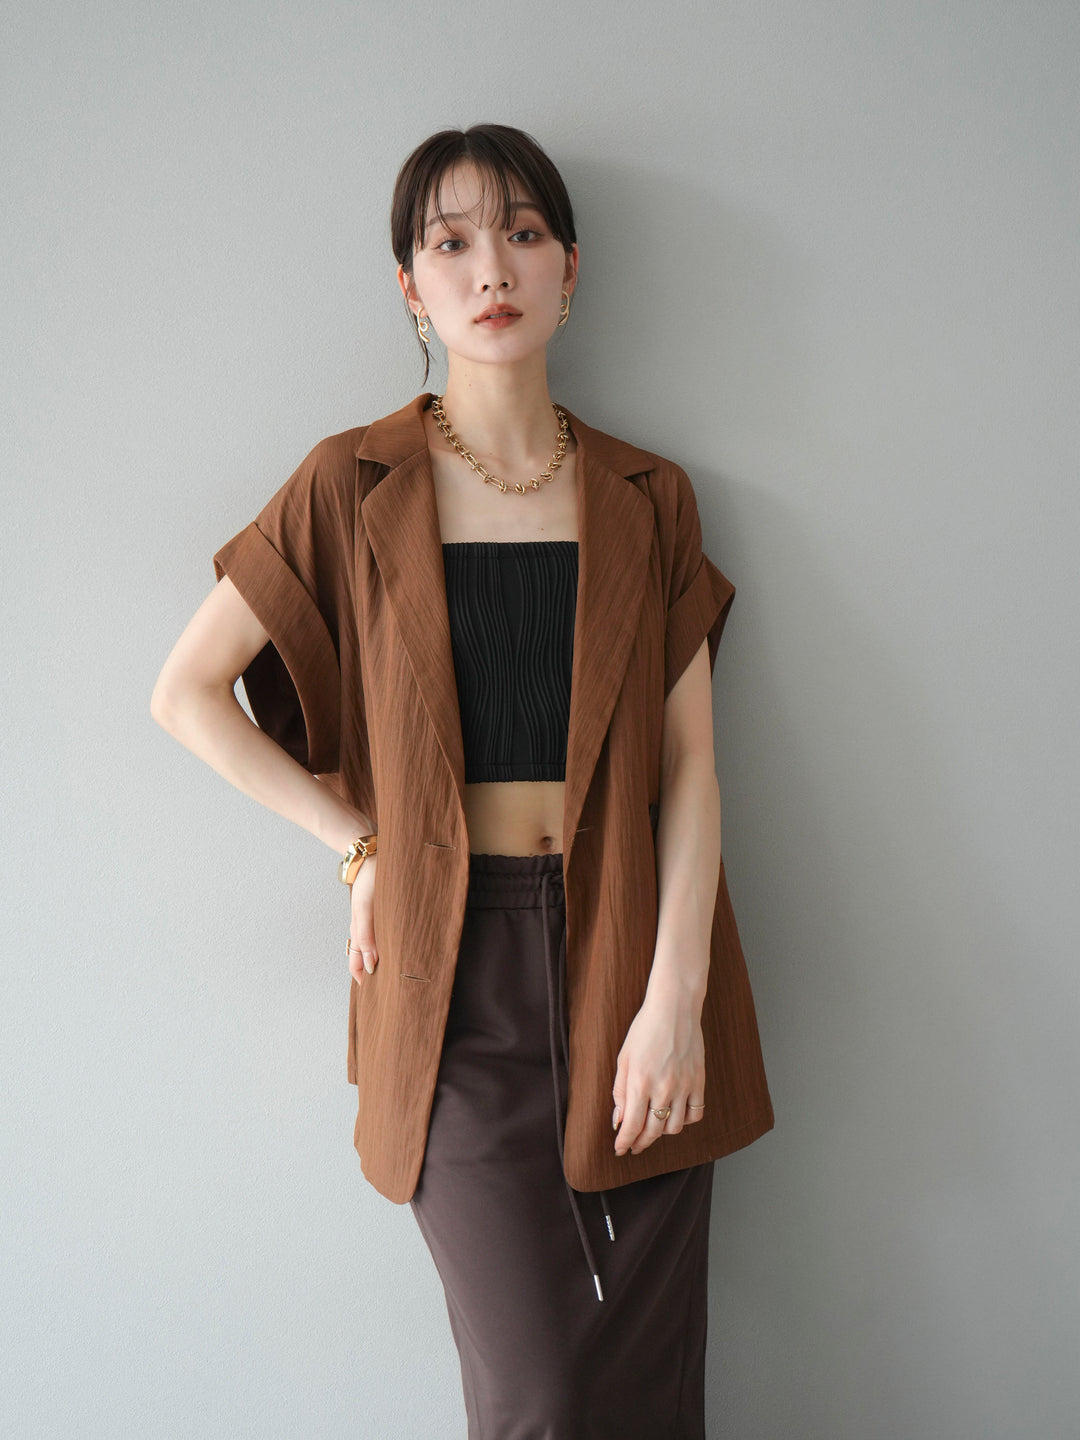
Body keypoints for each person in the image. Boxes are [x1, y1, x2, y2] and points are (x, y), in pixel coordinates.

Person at [151, 123, 773, 1440]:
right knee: (541, 1395)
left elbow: (691, 771)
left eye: (524, 234)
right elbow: (185, 694)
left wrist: (676, 999)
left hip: (633, 952)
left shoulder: (648, 496)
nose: (493, 267)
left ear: (569, 271)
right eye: (452, 242)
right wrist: (357, 844)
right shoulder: (351, 483)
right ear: (411, 287)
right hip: (450, 981)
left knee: (649, 1400)